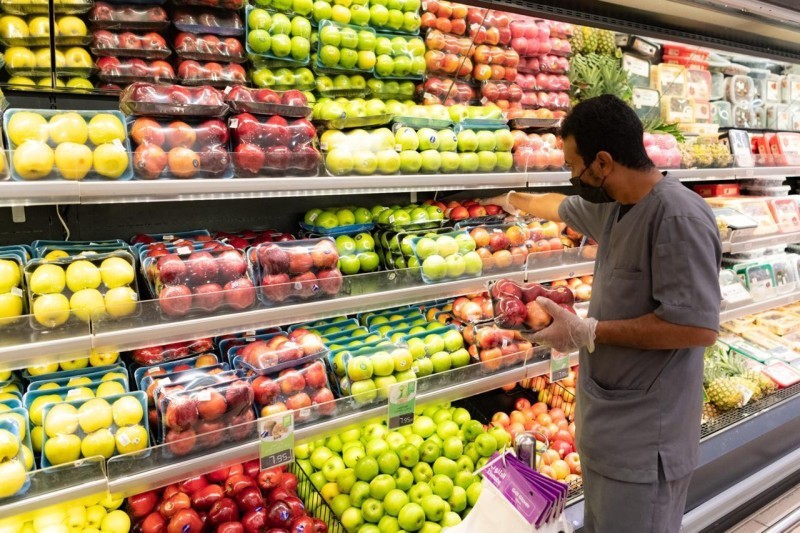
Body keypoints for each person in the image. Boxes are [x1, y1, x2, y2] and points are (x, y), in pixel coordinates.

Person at [485, 95, 721, 533]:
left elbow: (696, 327)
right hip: (608, 432)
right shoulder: (615, 206)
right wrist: (507, 197)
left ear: (603, 163)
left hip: (647, 443)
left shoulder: (678, 217)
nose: (572, 176)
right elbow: (556, 206)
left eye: (573, 165)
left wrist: (589, 330)